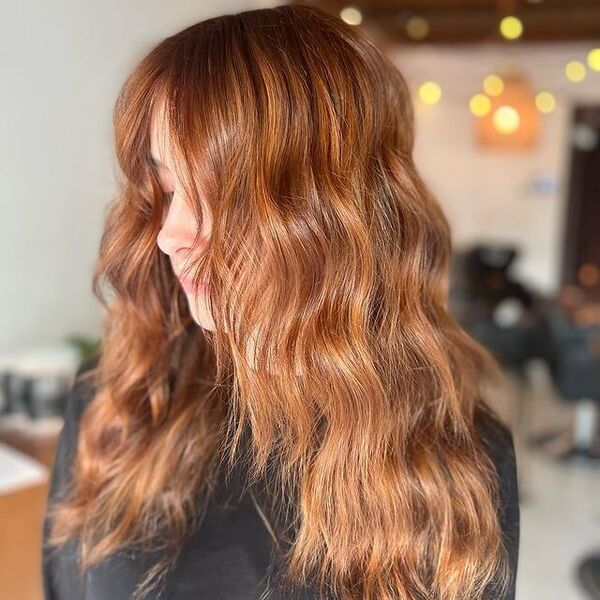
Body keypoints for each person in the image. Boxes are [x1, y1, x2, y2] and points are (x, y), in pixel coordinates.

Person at [41, 5, 520, 600]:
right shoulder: (117, 402)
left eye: (219, 192)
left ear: (333, 218)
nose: (170, 233)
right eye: (167, 186)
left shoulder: (454, 461)